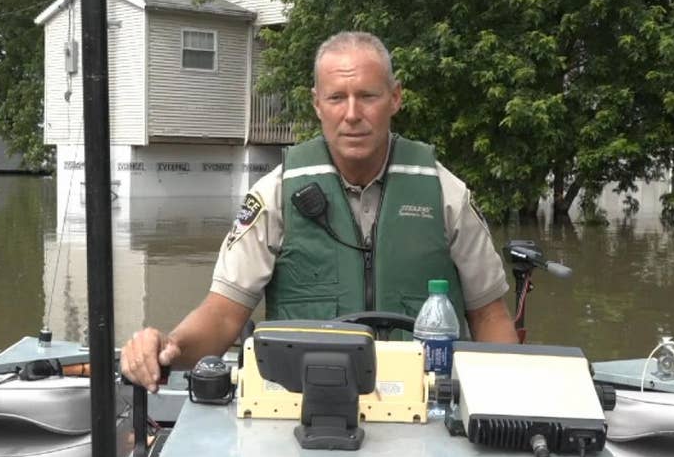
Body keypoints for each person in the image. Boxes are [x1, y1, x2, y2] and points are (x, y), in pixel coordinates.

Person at [121, 31, 517, 392]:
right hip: (304, 406)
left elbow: (490, 316)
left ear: (395, 98)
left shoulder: (444, 192)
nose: (351, 114)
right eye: (336, 98)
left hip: (424, 410)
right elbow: (223, 315)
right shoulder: (275, 194)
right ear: (316, 104)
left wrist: (509, 403)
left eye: (367, 96)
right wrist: (167, 347)